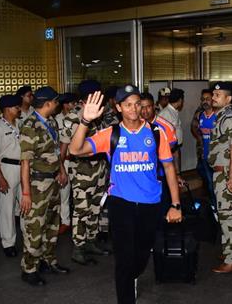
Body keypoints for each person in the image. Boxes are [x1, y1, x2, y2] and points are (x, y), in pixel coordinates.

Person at [69, 85, 182, 304]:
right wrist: (85, 121)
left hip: (150, 202)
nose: (134, 108)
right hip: (121, 203)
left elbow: (169, 168)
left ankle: (132, 275)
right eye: (128, 104)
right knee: (123, 259)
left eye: (137, 103)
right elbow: (75, 150)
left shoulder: (156, 133)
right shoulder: (111, 134)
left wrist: (175, 204)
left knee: (140, 257)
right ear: (118, 107)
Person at [19, 86, 70, 286]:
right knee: (35, 227)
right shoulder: (30, 126)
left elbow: (56, 151)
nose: (57, 105)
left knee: (51, 224)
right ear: (47, 103)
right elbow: (25, 162)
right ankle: (29, 268)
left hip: (53, 182)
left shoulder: (51, 123)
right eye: (56, 102)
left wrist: (62, 171)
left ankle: (48, 260)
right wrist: (25, 193)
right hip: (36, 185)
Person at [59, 80, 110, 266]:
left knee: (96, 207)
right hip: (81, 171)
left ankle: (91, 240)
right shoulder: (73, 117)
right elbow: (63, 146)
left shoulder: (99, 115)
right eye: (98, 94)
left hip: (99, 168)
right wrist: (61, 169)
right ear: (89, 96)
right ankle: (78, 247)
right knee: (81, 209)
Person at [208, 82, 232, 273]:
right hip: (221, 172)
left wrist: (231, 176)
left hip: (225, 173)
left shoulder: (229, 118)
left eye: (218, 95)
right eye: (213, 94)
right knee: (227, 213)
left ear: (228, 99)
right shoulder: (220, 116)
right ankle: (231, 249)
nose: (214, 98)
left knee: (228, 214)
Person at [0, 94, 22, 257]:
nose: (19, 109)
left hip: (24, 167)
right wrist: (0, 178)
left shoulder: (21, 124)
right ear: (8, 109)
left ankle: (29, 236)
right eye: (16, 107)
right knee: (7, 208)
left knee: (26, 204)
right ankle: (8, 243)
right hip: (7, 168)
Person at [140, 92, 183, 215]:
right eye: (141, 107)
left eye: (148, 106)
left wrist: (177, 173)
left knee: (162, 210)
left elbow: (173, 153)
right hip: (141, 175)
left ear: (154, 106)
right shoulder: (133, 126)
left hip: (161, 175)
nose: (145, 111)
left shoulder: (166, 127)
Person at [55, 92, 77, 235]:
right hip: (64, 161)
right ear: (65, 105)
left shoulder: (77, 118)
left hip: (76, 161)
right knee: (63, 194)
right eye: (71, 103)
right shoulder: (57, 120)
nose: (74, 105)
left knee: (77, 194)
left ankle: (76, 223)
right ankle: (65, 222)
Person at [193, 88, 217, 210]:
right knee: (209, 184)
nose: (205, 101)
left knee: (217, 185)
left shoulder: (218, 116)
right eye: (203, 99)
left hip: (217, 158)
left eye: (208, 99)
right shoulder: (200, 116)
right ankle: (214, 207)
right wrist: (202, 149)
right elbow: (199, 132)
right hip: (205, 156)